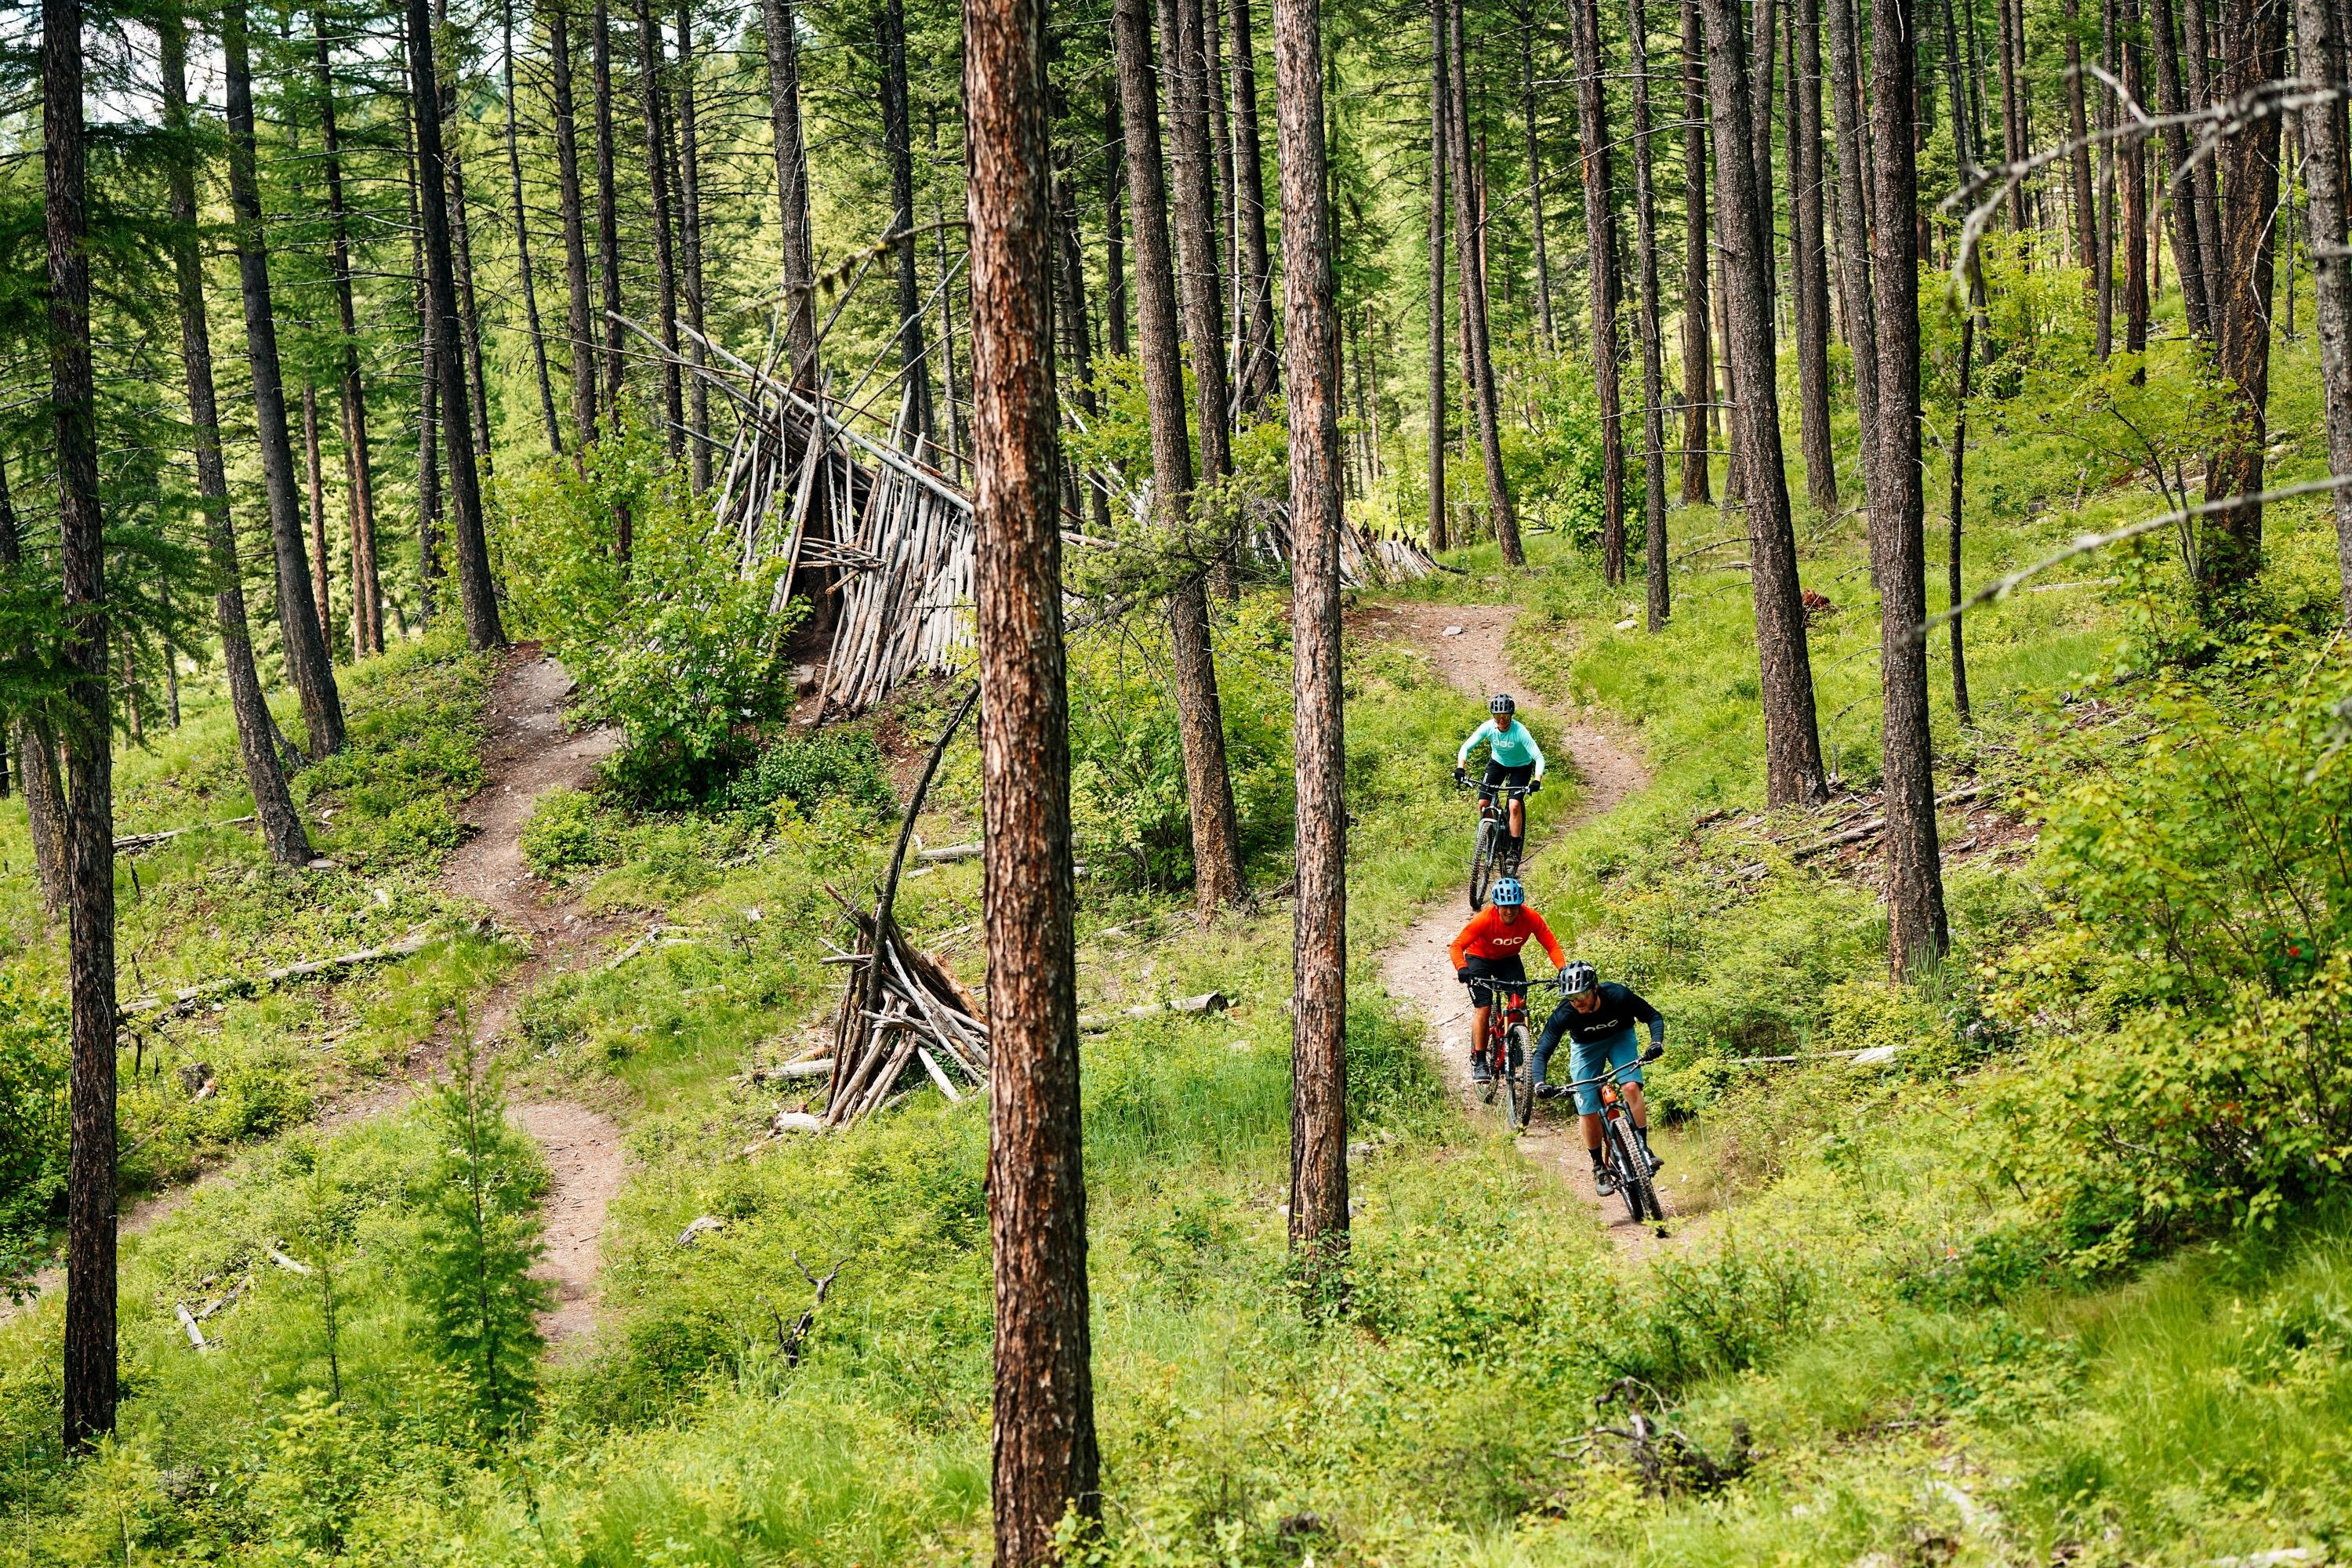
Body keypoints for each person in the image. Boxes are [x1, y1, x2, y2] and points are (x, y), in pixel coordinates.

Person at [1532, 960, 1664, 1195]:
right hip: (1586, 1050)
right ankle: (1598, 1167)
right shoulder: (1565, 1013)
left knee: (1631, 1086)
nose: (1577, 1001)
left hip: (1620, 1038)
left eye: (1581, 993)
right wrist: (1540, 1083)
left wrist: (1656, 1043)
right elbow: (1542, 1051)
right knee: (1587, 1107)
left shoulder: (1617, 995)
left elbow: (1653, 1016)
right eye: (1571, 997)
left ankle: (1643, 1148)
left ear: (1594, 988)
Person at [1447, 878, 1565, 1083]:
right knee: (1483, 1007)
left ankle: (1517, 1043)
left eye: (1514, 907)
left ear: (1520, 905)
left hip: (1508, 959)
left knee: (1519, 1002)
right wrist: (1462, 968)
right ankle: (1481, 1059)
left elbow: (1551, 945)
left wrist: (1563, 969)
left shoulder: (1530, 918)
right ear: (1497, 906)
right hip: (1479, 958)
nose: (1509, 912)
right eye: (1505, 908)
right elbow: (1457, 946)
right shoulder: (1484, 920)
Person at [1454, 694, 1545, 862]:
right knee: (1483, 804)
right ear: (1493, 716)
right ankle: (1491, 836)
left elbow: (1539, 758)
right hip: (1497, 764)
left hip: (1521, 767)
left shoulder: (1520, 732)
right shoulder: (1488, 728)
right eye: (1497, 716)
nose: (1501, 720)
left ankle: (1515, 850)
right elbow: (1466, 746)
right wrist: (1461, 768)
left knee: (1514, 804)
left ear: (1511, 715)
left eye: (1505, 716)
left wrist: (1537, 780)